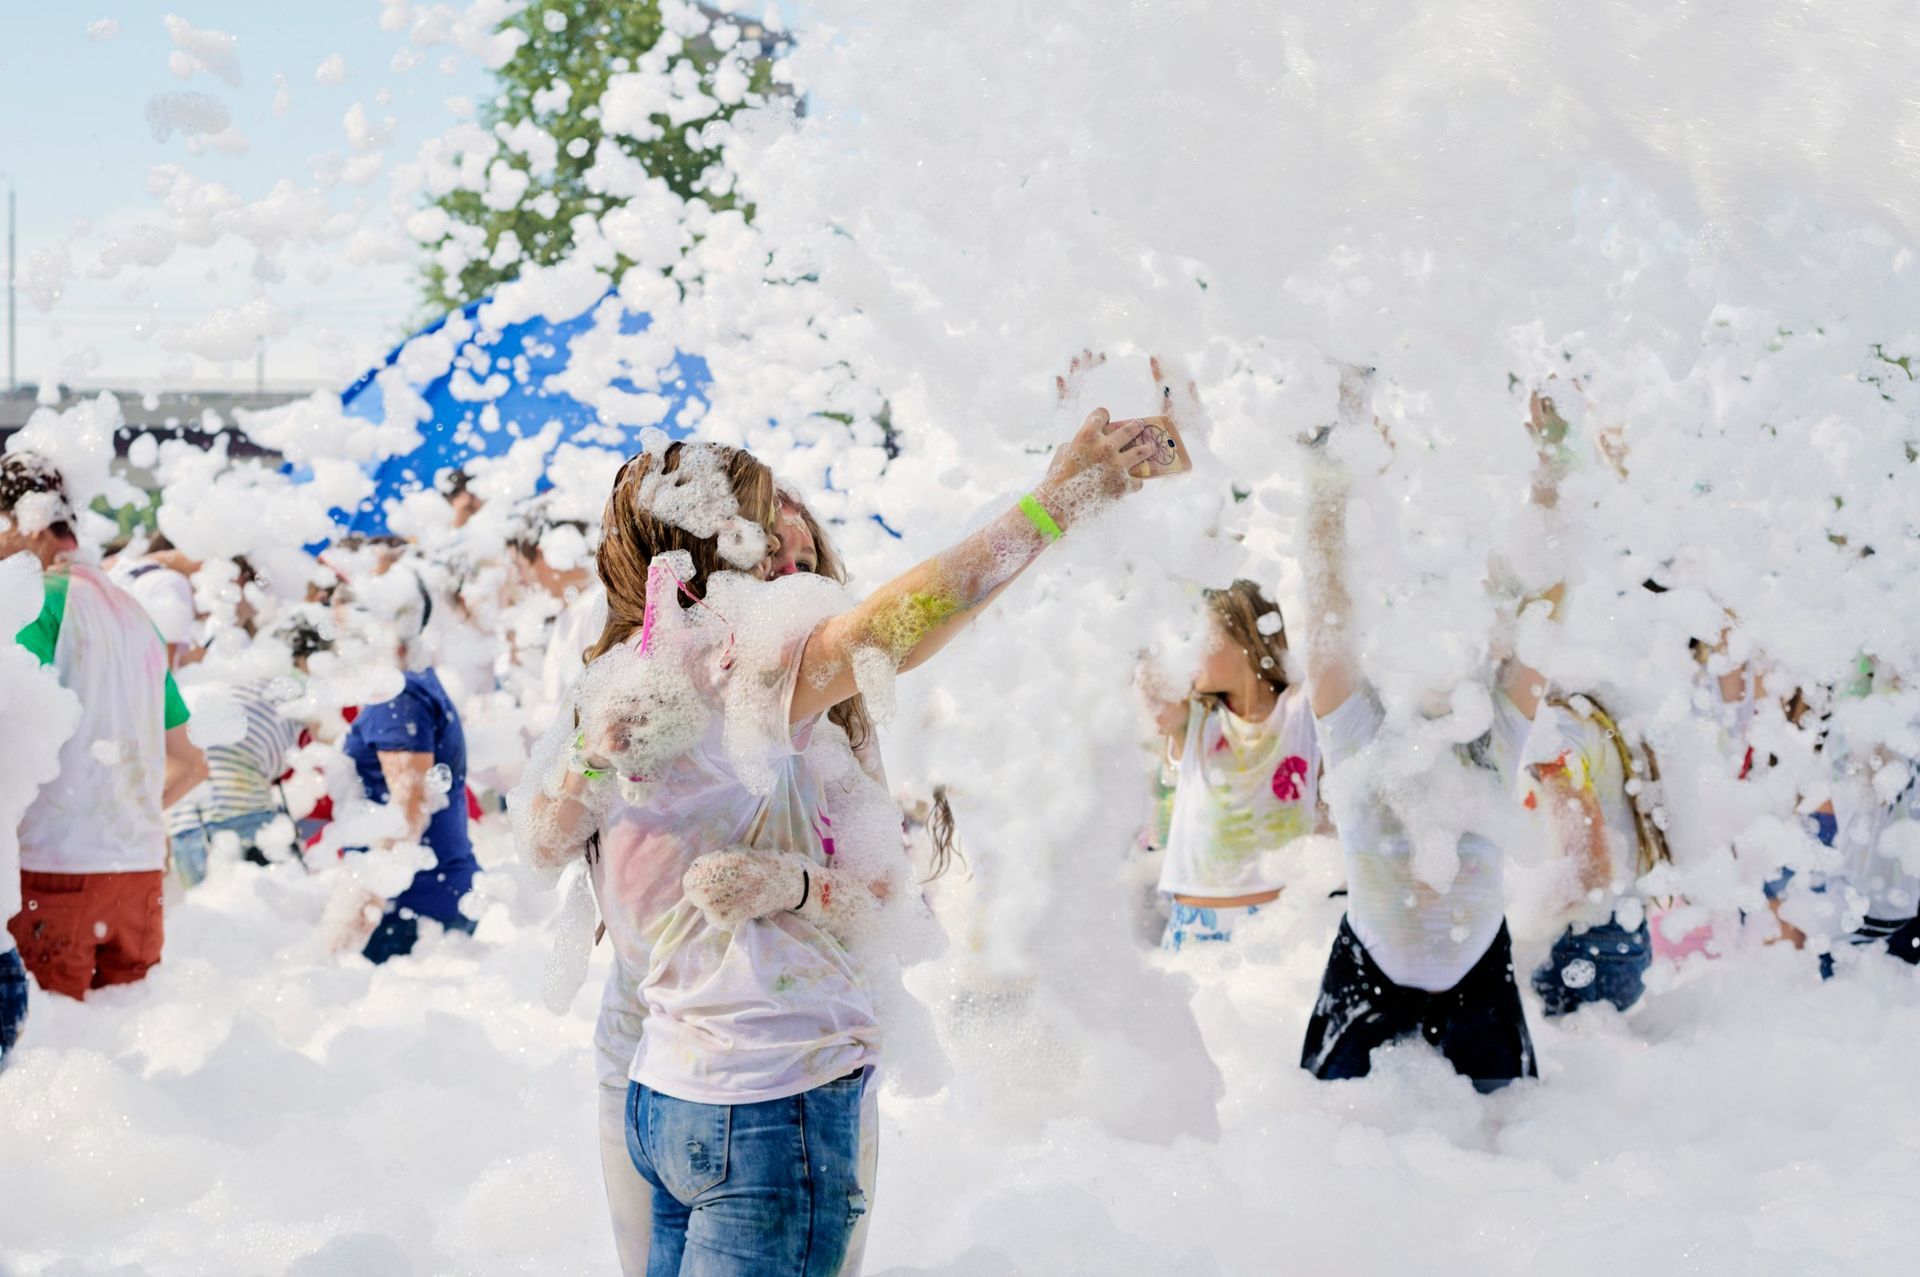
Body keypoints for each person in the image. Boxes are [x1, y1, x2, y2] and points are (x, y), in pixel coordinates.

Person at [518, 407, 1159, 1276]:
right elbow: (548, 841)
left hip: (776, 1078)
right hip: (661, 1071)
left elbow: (902, 621)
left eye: (803, 559)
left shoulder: (777, 688)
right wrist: (592, 758)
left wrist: (1051, 507)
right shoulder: (634, 679)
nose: (787, 567)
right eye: (764, 538)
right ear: (713, 547)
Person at [1295, 372, 1546, 1092]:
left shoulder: (1491, 733)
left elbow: (1545, 600)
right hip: (1367, 980)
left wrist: (1554, 475)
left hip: (1480, 985)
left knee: (1507, 1165)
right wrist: (1329, 458)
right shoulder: (1361, 731)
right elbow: (1325, 601)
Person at [2, 452, 207, 999]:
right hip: (138, 877)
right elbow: (190, 764)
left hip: (52, 874)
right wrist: (117, 807)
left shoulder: (31, 604)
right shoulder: (135, 614)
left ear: (29, 523)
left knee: (44, 1066)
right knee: (126, 1054)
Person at [1148, 579, 1319, 951]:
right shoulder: (1195, 721)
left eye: (1201, 637)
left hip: (1277, 927)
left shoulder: (1301, 711)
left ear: (1244, 639)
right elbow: (1149, 682)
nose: (1189, 651)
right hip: (1192, 927)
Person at [330, 565, 481, 963]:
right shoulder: (411, 682)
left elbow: (409, 811)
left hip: (413, 909)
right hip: (431, 898)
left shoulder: (396, 696)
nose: (340, 645)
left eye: (346, 633)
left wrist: (347, 925)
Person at [1524, 691, 1665, 1015]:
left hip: (1580, 951)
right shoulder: (1602, 713)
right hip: (1626, 942)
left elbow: (1587, 869)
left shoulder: (1555, 728)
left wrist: (1519, 936)